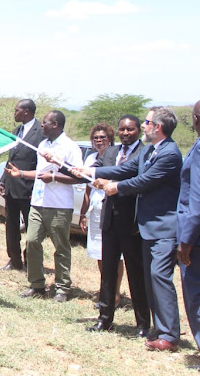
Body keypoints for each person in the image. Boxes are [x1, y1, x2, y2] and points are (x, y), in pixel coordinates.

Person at [73, 107, 182, 351]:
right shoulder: (152, 151)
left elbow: (144, 180)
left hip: (160, 226)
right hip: (145, 226)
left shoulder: (170, 153)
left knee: (157, 279)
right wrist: (90, 171)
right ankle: (160, 330)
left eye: (146, 122)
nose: (144, 126)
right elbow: (127, 170)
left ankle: (166, 333)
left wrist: (116, 187)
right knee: (152, 278)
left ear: (158, 127)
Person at [6, 110, 83, 302]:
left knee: (61, 247)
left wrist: (55, 177)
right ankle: (37, 285)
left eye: (45, 123)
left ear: (55, 124)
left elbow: (78, 176)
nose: (42, 125)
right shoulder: (42, 145)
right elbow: (41, 173)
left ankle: (62, 287)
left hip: (59, 206)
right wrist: (22, 174)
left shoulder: (70, 147)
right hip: (38, 203)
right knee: (32, 241)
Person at [84, 116, 149, 337]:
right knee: (108, 272)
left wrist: (112, 185)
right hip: (109, 217)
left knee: (135, 273)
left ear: (139, 130)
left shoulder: (145, 153)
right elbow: (94, 173)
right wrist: (59, 167)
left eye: (130, 129)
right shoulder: (111, 153)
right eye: (122, 129)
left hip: (132, 221)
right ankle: (105, 319)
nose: (125, 133)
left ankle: (142, 324)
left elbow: (133, 178)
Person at [80, 123, 124, 306]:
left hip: (113, 208)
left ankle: (114, 293)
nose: (99, 141)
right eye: (96, 138)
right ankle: (105, 288)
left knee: (116, 254)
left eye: (103, 137)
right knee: (100, 252)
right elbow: (87, 190)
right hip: (96, 211)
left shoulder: (118, 157)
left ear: (110, 139)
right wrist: (83, 214)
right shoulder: (90, 159)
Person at [0, 99, 43, 271]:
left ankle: (30, 261)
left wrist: (35, 186)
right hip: (11, 187)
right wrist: (3, 180)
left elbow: (40, 163)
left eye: (16, 110)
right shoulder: (17, 131)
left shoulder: (41, 133)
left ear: (26, 112)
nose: (14, 113)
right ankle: (14, 260)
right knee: (11, 226)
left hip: (29, 189)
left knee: (32, 230)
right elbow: (12, 159)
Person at [178, 100, 200, 351]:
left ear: (195, 119)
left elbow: (196, 200)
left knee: (196, 296)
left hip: (196, 239)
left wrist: (187, 240)